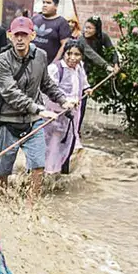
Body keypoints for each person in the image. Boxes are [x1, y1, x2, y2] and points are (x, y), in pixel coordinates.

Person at [0, 16, 76, 208]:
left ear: (33, 35)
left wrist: (63, 100)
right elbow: (9, 92)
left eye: (24, 35)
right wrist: (39, 108)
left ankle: (32, 207)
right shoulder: (1, 61)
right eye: (16, 35)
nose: (20, 39)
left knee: (38, 166)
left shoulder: (40, 56)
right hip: (7, 120)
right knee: (4, 170)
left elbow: (46, 83)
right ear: (9, 36)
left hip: (33, 120)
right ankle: (2, 205)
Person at [44, 40, 90, 175]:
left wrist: (87, 88)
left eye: (77, 54)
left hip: (71, 118)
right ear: (64, 53)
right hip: (55, 117)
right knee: (51, 147)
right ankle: (46, 175)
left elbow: (83, 81)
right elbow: (48, 92)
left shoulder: (79, 67)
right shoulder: (55, 69)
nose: (73, 58)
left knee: (68, 145)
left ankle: (61, 176)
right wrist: (66, 101)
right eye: (69, 54)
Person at [79, 16, 119, 129]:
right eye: (85, 27)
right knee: (79, 101)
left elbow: (112, 51)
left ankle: (77, 129)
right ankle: (75, 130)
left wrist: (115, 63)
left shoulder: (103, 37)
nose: (86, 30)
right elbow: (91, 54)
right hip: (81, 71)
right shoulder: (81, 40)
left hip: (93, 72)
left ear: (96, 30)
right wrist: (106, 66)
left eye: (90, 28)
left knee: (84, 101)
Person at [32, 0, 72, 64]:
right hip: (31, 62)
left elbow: (64, 45)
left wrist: (54, 63)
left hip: (49, 64)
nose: (45, 5)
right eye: (43, 2)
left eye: (48, 3)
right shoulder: (35, 19)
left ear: (56, 6)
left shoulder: (62, 22)